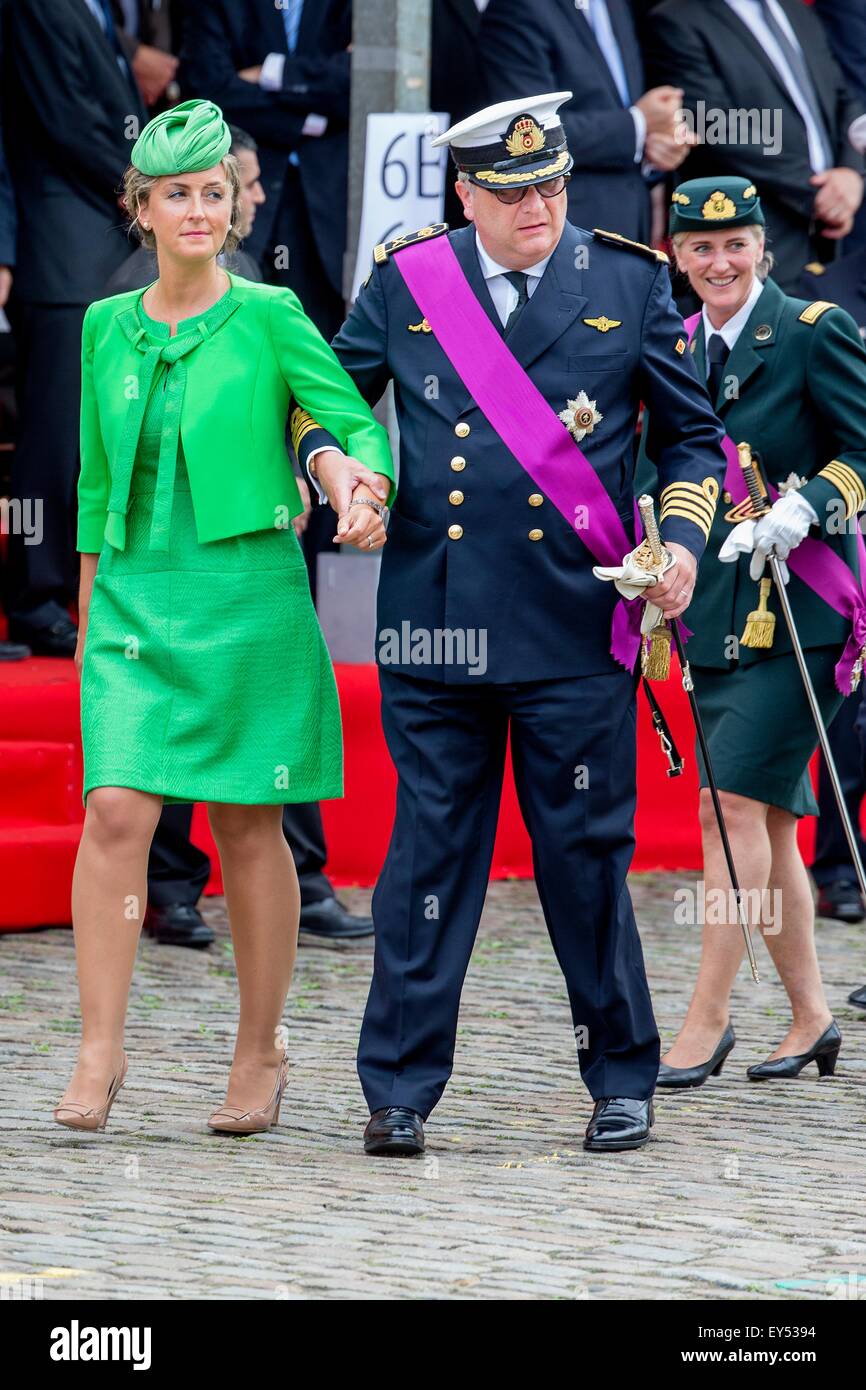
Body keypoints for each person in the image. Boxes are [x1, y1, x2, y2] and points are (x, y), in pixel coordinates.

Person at [294, 93, 727, 1155]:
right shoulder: (408, 282)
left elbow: (693, 442)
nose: (536, 205)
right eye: (510, 190)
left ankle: (620, 1072)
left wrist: (676, 545)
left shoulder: (625, 281)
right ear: (463, 197)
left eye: (549, 185)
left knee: (582, 853)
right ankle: (396, 1087)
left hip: (571, 624)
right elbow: (325, 399)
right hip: (436, 626)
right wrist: (335, 467)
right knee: (428, 853)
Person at [52, 99, 394, 1135]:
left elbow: (343, 417)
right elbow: (92, 479)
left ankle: (260, 1047)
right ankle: (99, 1046)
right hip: (128, 600)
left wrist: (358, 483)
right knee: (115, 809)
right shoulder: (104, 326)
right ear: (139, 208)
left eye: (214, 192)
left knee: (250, 824)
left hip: (244, 594)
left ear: (236, 206)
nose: (197, 210)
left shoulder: (270, 314)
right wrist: (83, 607)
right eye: (175, 194)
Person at [637, 176, 866, 1090]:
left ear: (762, 247)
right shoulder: (676, 343)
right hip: (713, 611)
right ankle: (812, 1015)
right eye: (700, 248)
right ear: (678, 257)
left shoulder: (812, 331)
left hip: (802, 608)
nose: (719, 263)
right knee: (764, 816)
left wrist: (809, 505)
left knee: (724, 807)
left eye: (735, 245)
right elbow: (661, 464)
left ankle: (708, 1015)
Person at [1, 0, 147, 656]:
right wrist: (146, 187)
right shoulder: (38, 6)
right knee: (54, 440)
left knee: (91, 436)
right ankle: (36, 597)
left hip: (100, 251)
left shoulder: (102, 9)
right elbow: (67, 123)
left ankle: (71, 591)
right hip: (65, 255)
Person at [645, 0, 865, 292]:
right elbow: (714, 124)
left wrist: (851, 172)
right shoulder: (677, 19)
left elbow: (842, 97)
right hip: (753, 234)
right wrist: (821, 193)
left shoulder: (797, 11)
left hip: (828, 237)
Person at [481, 0, 689, 242]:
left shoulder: (614, 6)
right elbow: (527, 130)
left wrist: (654, 144)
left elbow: (623, 108)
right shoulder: (516, 8)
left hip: (631, 222)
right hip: (568, 230)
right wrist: (637, 125)